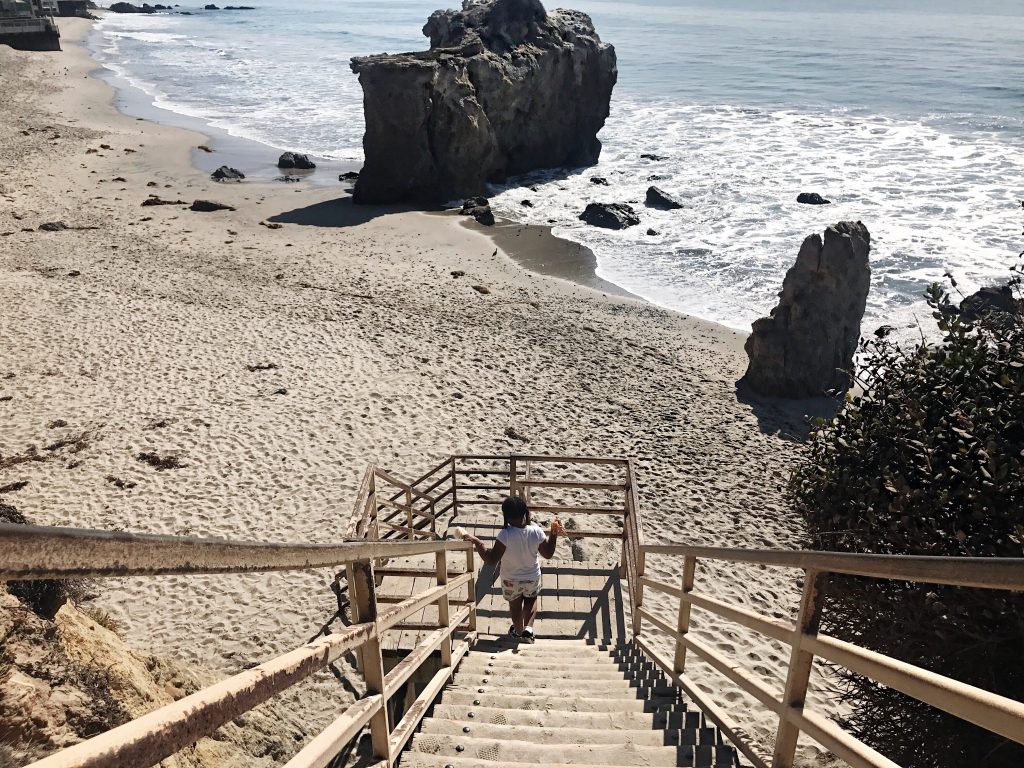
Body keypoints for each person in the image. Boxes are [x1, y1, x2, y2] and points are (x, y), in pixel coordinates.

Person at [463, 495, 565, 643]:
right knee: (530, 601)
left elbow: (491, 560)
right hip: (532, 577)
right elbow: (548, 554)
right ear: (525, 513)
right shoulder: (536, 531)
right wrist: (554, 533)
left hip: (510, 580)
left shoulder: (505, 535)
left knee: (515, 606)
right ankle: (528, 630)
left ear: (507, 517)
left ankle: (518, 632)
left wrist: (478, 543)